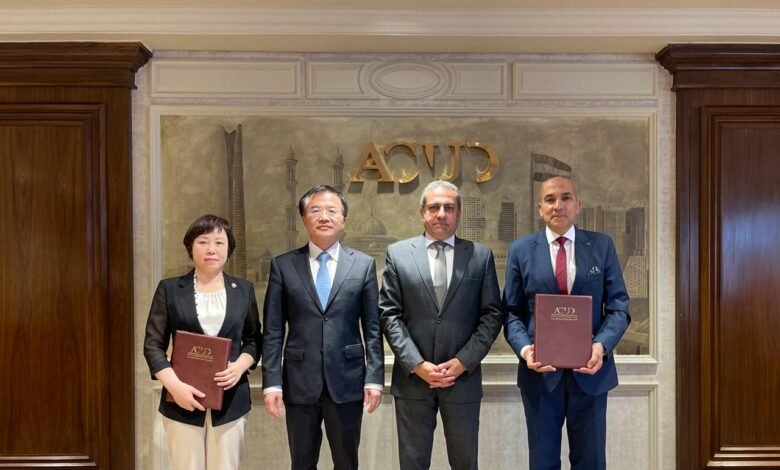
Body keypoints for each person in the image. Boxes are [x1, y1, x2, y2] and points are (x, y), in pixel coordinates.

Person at [503, 175, 631, 470]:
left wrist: (601, 346)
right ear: (540, 208)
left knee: (591, 462)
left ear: (577, 205)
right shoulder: (521, 250)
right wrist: (526, 350)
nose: (558, 205)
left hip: (591, 374)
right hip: (540, 377)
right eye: (550, 200)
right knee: (542, 463)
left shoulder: (602, 246)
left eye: (565, 198)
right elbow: (511, 312)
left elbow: (619, 307)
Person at [379, 180, 503, 470]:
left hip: (462, 380)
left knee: (465, 463)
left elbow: (491, 315)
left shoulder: (480, 256)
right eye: (434, 207)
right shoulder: (398, 254)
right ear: (422, 212)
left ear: (458, 213)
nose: (441, 214)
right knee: (412, 463)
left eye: (449, 207)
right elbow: (389, 314)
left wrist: (463, 361)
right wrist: (416, 363)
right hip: (413, 381)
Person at [262, 184, 384, 470]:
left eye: (332, 210)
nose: (324, 217)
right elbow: (273, 330)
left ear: (343, 220)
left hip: (347, 380)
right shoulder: (283, 265)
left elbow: (373, 328)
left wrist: (374, 378)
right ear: (304, 219)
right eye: (315, 210)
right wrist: (272, 382)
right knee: (302, 463)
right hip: (299, 382)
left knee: (347, 463)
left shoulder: (363, 265)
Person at [143, 214, 262, 470]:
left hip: (230, 400)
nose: (211, 249)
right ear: (190, 247)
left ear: (229, 248)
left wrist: (239, 367)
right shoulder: (170, 289)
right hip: (181, 399)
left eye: (219, 242)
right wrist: (175, 387)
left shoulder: (243, 290)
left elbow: (254, 340)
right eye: (203, 242)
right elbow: (153, 345)